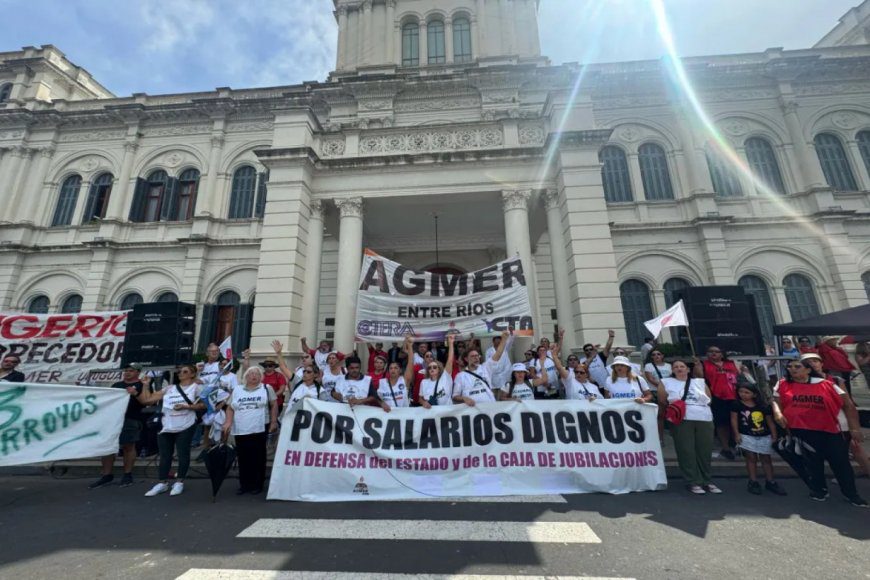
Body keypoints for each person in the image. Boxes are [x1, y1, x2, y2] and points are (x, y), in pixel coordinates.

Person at [773, 359, 866, 507]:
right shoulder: (782, 384)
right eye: (789, 366)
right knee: (812, 462)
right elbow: (776, 401)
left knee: (840, 463)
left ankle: (851, 494)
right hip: (803, 430)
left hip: (832, 430)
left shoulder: (827, 384)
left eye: (797, 366)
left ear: (808, 370)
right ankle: (819, 490)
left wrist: (854, 428)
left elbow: (848, 406)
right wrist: (778, 413)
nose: (792, 369)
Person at [800, 352, 870, 479]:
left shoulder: (835, 380)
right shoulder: (801, 383)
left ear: (821, 364)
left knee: (855, 448)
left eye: (815, 361)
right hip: (818, 424)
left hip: (839, 421)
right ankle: (844, 476)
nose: (812, 364)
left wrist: (854, 427)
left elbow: (848, 405)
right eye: (808, 362)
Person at [140, 364, 205, 497]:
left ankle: (179, 481)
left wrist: (186, 406)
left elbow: (204, 404)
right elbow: (147, 400)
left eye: (185, 371)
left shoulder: (196, 388)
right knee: (165, 455)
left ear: (192, 374)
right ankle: (162, 482)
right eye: (180, 371)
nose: (180, 373)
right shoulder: (170, 388)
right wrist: (146, 385)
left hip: (185, 424)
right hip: (167, 425)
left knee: (183, 453)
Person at [660, 360, 721, 495]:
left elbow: (709, 399)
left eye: (682, 366)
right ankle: (692, 480)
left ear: (688, 369)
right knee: (686, 450)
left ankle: (706, 480)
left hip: (703, 417)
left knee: (704, 450)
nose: (679, 369)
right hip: (682, 419)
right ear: (673, 370)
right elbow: (663, 400)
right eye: (676, 367)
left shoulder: (699, 382)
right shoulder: (666, 382)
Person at [89, 363, 151, 489]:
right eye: (126, 370)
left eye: (131, 371)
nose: (127, 373)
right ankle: (107, 474)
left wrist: (135, 393)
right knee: (108, 446)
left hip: (131, 418)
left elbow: (147, 401)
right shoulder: (117, 385)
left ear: (138, 372)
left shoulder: (141, 385)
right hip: (113, 419)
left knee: (128, 446)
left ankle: (127, 474)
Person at [222, 366, 278, 495]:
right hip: (241, 428)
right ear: (246, 376)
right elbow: (230, 408)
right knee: (243, 457)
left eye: (257, 374)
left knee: (258, 457)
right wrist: (228, 421)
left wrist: (274, 421)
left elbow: (273, 404)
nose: (254, 376)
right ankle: (244, 484)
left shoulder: (266, 388)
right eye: (251, 374)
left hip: (259, 427)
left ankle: (257, 484)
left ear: (260, 377)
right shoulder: (237, 390)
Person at [730, 380, 786, 496]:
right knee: (751, 458)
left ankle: (770, 481)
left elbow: (770, 422)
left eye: (747, 392)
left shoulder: (763, 406)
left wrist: (774, 435)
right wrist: (736, 434)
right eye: (741, 392)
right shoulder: (736, 404)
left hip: (764, 435)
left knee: (766, 458)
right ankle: (753, 481)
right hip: (746, 434)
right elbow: (734, 420)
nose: (743, 394)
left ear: (754, 394)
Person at [693, 345, 739, 460]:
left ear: (722, 354)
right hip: (717, 397)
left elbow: (740, 374)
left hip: (734, 396)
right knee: (721, 424)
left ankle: (736, 445)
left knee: (734, 422)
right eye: (711, 351)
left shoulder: (731, 363)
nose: (713, 354)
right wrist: (697, 364)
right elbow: (699, 377)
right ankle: (725, 447)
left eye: (716, 352)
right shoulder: (704, 364)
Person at [453, 330, 510, 405]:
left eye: (477, 356)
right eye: (472, 356)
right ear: (466, 359)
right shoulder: (460, 376)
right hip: (471, 411)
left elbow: (498, 354)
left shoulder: (485, 368)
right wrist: (464, 398)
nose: (476, 358)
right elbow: (455, 396)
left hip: (490, 407)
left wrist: (504, 339)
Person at [377, 337, 417, 410]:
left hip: (402, 417)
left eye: (396, 368)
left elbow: (410, 363)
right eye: (391, 368)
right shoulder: (382, 382)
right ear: (388, 370)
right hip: (387, 416)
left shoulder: (404, 381)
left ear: (400, 370)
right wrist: (382, 404)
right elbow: (378, 399)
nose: (393, 370)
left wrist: (410, 346)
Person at [418, 334, 456, 408]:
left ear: (439, 369)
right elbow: (420, 398)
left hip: (447, 412)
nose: (432, 369)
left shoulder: (445, 377)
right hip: (431, 414)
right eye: (429, 368)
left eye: (435, 367)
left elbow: (450, 361)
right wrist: (424, 403)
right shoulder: (424, 382)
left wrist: (451, 343)